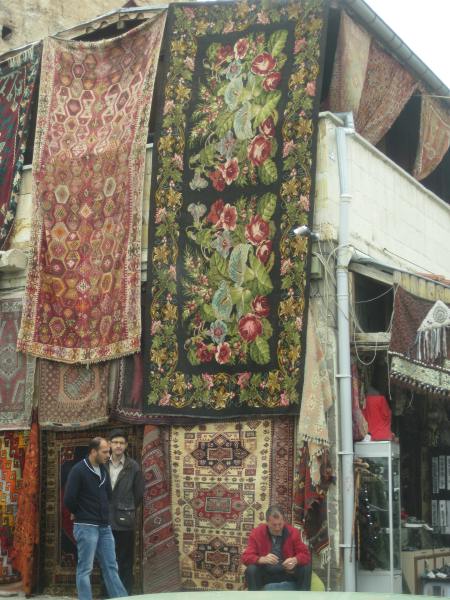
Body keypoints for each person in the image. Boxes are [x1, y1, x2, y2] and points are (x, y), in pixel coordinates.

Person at [63, 437, 127, 600]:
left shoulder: (103, 470)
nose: (108, 455)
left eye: (108, 451)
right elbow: (69, 499)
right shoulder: (79, 470)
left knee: (111, 566)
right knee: (85, 569)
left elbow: (108, 495)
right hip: (86, 526)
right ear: (93, 452)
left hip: (104, 527)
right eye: (105, 451)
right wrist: (81, 512)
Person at [107, 429, 144, 595]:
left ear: (126, 445)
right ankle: (107, 593)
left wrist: (126, 506)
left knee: (125, 560)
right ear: (109, 444)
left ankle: (125, 594)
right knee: (106, 559)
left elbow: (139, 493)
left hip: (125, 520)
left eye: (121, 443)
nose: (118, 446)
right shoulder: (102, 464)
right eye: (115, 442)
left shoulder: (133, 466)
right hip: (104, 520)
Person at [242, 505, 311, 591]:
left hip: (287, 573)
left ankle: (303, 597)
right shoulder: (257, 533)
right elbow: (245, 557)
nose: (278, 528)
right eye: (274, 525)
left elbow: (306, 555)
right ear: (267, 522)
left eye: (280, 524)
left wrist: (295, 560)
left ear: (284, 521)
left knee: (306, 567)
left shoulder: (293, 532)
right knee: (251, 569)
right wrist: (261, 559)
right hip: (266, 574)